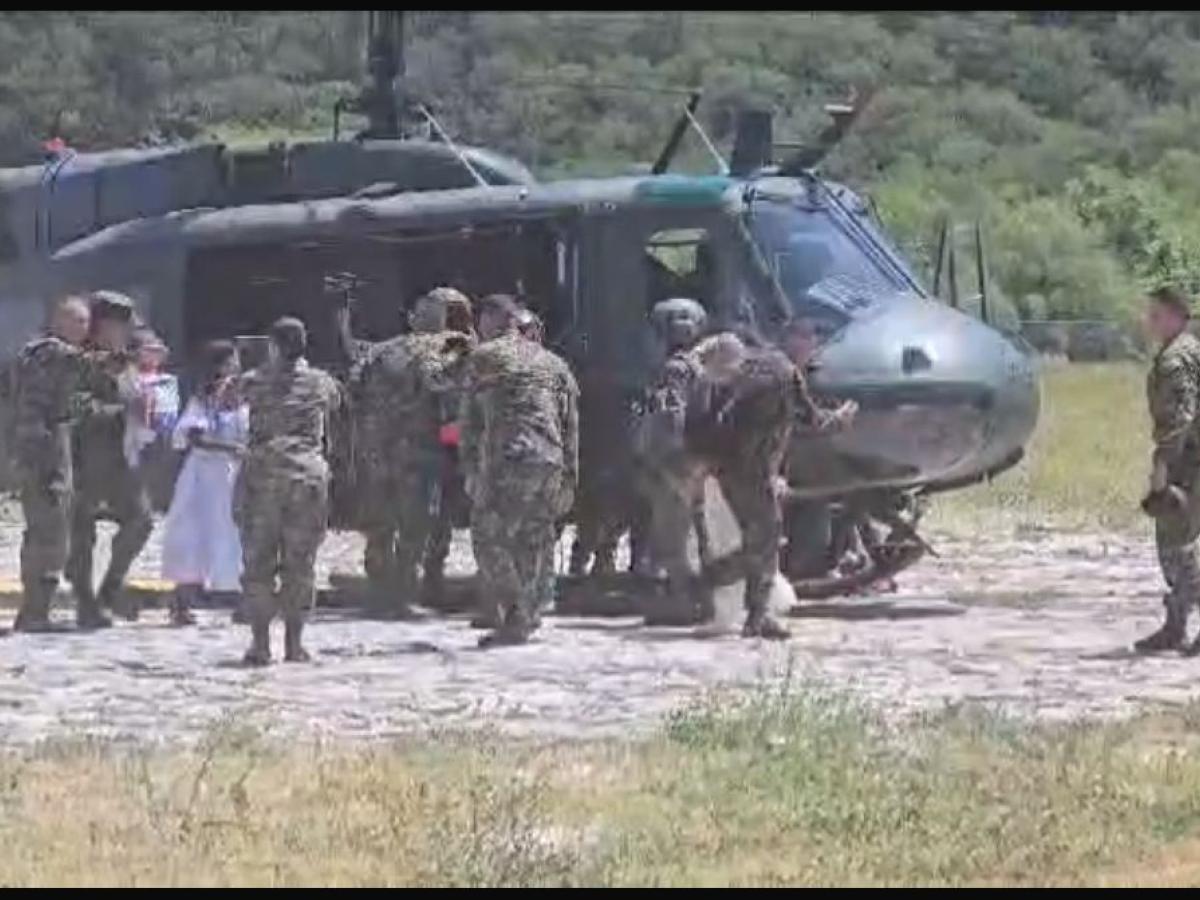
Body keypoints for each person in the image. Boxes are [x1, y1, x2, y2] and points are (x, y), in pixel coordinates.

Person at [698, 334, 857, 639]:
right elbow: (812, 421)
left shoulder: (748, 367)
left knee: (757, 538)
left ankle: (743, 601)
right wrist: (841, 418)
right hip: (754, 472)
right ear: (799, 346)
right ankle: (732, 591)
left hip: (726, 469)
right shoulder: (785, 373)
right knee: (766, 540)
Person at [460, 293, 579, 647]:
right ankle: (533, 609)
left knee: (489, 536)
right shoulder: (554, 362)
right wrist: (570, 473)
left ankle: (514, 613)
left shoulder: (485, 357)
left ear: (494, 319)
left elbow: (470, 421)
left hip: (507, 456)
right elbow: (570, 421)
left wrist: (470, 469)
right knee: (536, 536)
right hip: (549, 458)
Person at [355, 288, 473, 619]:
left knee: (380, 525)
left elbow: (357, 390)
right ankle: (407, 592)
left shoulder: (381, 352)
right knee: (417, 526)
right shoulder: (447, 351)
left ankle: (379, 591)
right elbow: (452, 407)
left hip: (379, 452)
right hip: (423, 453)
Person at [236, 317, 342, 665]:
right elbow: (336, 406)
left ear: (273, 345)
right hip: (307, 477)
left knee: (258, 561)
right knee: (301, 563)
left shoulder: (253, 381)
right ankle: (295, 644)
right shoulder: (322, 383)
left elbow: (229, 397)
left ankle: (261, 644)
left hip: (263, 475)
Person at [66, 290, 153, 627]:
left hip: (122, 460)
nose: (128, 333)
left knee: (141, 521)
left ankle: (110, 589)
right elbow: (76, 409)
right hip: (84, 459)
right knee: (81, 534)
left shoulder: (126, 363)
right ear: (103, 326)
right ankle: (85, 602)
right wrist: (120, 413)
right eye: (123, 326)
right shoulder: (78, 361)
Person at [633, 297, 719, 626]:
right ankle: (705, 597)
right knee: (699, 534)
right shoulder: (704, 369)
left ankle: (685, 600)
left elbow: (671, 417)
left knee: (673, 536)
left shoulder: (675, 371)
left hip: (677, 464)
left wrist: (667, 461)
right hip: (700, 460)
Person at [11, 295, 91, 632]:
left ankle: (35, 609)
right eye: (78, 321)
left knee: (46, 531)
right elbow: (94, 366)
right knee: (50, 530)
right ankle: (34, 612)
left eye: (86, 322)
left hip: (41, 447)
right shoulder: (52, 351)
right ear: (59, 320)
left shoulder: (36, 351)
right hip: (45, 450)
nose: (84, 329)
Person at [160, 340, 248, 626]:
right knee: (193, 534)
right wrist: (227, 448)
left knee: (236, 534)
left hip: (232, 475)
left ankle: (242, 600)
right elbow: (194, 435)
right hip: (204, 475)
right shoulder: (203, 397)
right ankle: (181, 601)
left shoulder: (243, 394)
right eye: (232, 360)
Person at [1135, 286, 1200, 654]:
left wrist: (1162, 463)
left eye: (1156, 315)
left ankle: (1178, 623)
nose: (1150, 321)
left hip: (1186, 461)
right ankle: (1176, 624)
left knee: (1176, 544)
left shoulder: (1176, 359)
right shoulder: (1190, 349)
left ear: (1177, 315)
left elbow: (1180, 417)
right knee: (1179, 542)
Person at [422, 289, 478, 606]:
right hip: (451, 442)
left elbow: (439, 385)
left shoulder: (463, 349)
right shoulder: (458, 347)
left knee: (449, 513)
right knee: (441, 515)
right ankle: (433, 575)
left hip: (456, 441)